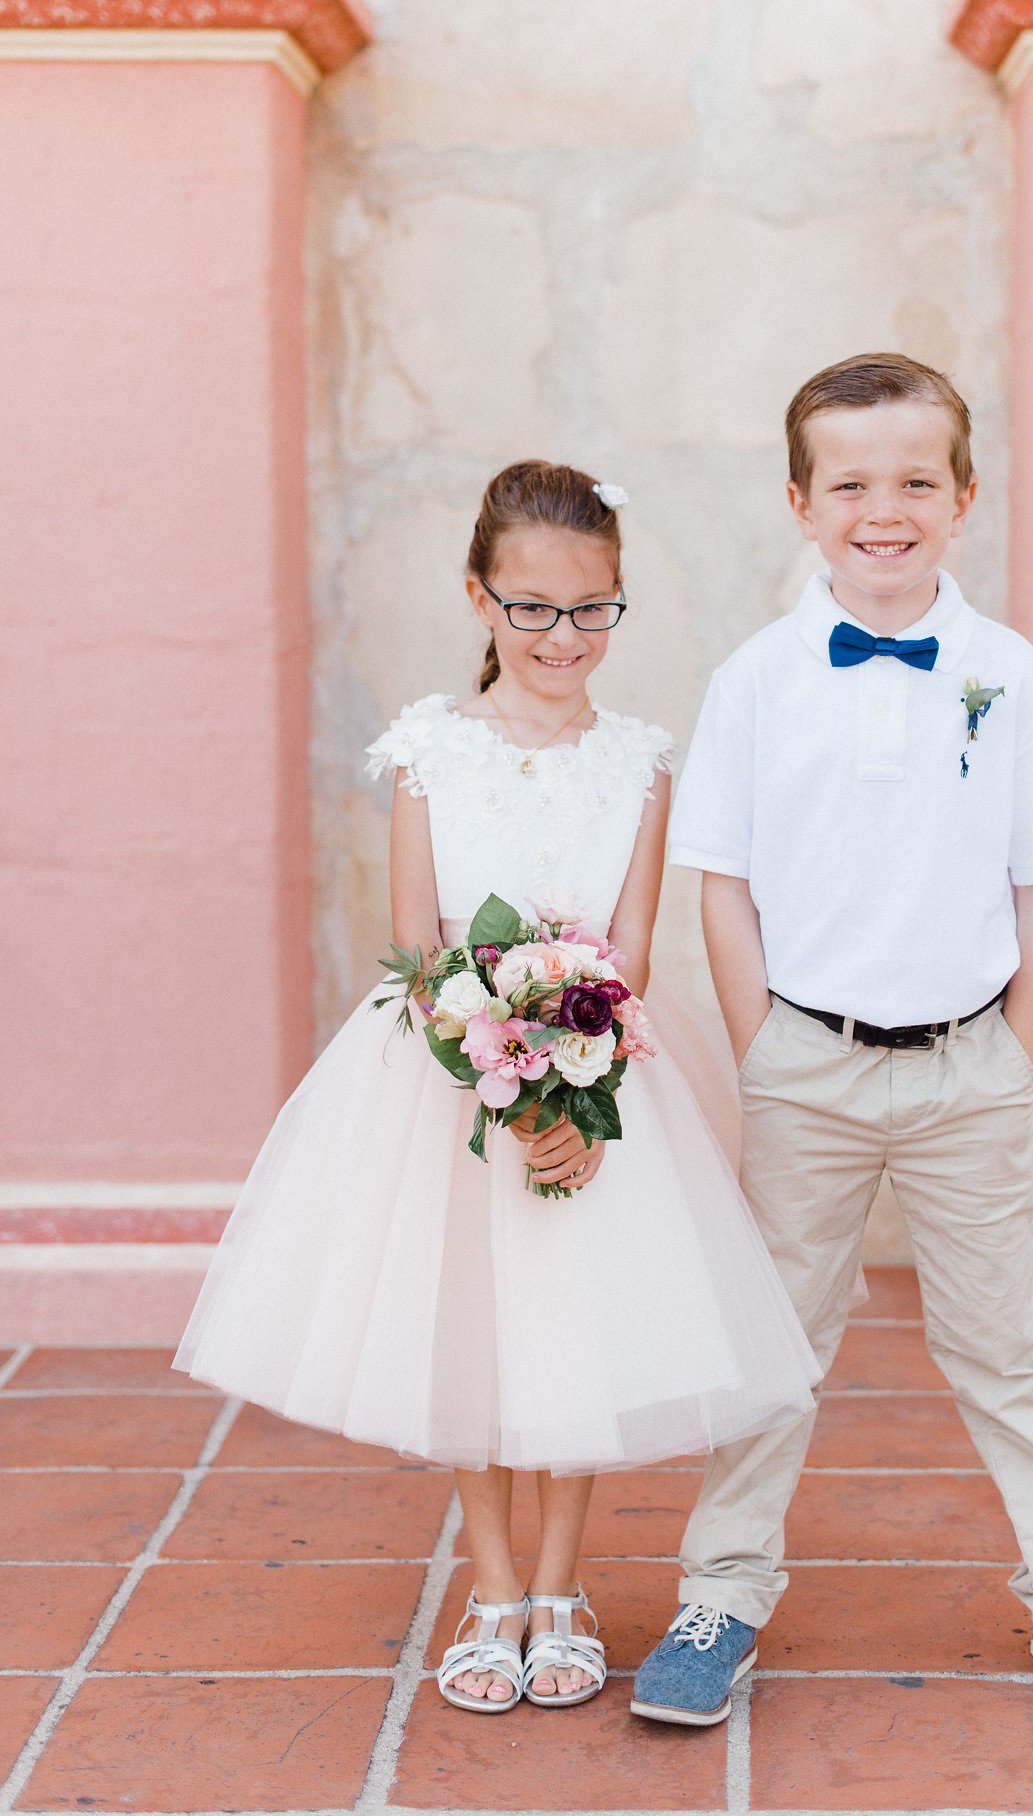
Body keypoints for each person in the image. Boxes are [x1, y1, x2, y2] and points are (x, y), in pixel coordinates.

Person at [175, 460, 818, 1717]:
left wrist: (574, 1085)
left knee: (577, 1324)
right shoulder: (428, 750)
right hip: (439, 1074)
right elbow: (417, 934)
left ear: (616, 605)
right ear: (480, 596)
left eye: (589, 609)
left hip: (600, 1075)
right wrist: (492, 1068)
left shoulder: (639, 761)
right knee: (465, 1324)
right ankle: (491, 1584)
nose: (560, 637)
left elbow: (633, 947)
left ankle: (566, 1587)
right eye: (530, 608)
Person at [632, 354, 1033, 1727]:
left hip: (965, 1068)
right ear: (797, 501)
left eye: (909, 482)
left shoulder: (1009, 676)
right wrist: (764, 1042)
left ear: (958, 496)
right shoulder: (757, 679)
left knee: (1002, 1347)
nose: (878, 510)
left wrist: (1010, 1050)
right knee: (776, 1343)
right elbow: (720, 877)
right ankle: (720, 1590)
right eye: (848, 485)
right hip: (808, 1068)